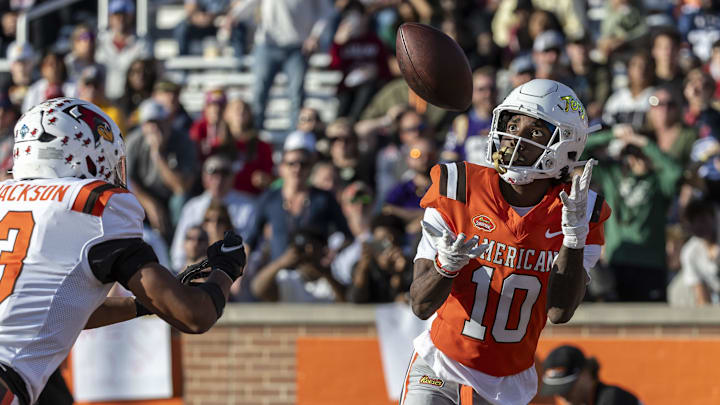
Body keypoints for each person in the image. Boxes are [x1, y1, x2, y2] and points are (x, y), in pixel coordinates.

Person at [0, 97, 246, 405]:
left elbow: (59, 311)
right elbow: (194, 316)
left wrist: (143, 304)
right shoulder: (93, 205)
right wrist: (226, 268)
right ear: (83, 153)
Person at [400, 79, 611, 405]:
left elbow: (559, 311)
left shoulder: (582, 209)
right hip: (440, 366)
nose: (514, 138)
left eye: (535, 132)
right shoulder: (458, 187)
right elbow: (420, 304)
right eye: (512, 124)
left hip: (506, 387)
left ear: (567, 146)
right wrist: (446, 266)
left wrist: (573, 238)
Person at [540, 345, 641, 405]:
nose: (562, 395)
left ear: (586, 372)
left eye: (567, 387)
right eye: (556, 389)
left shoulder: (613, 399)